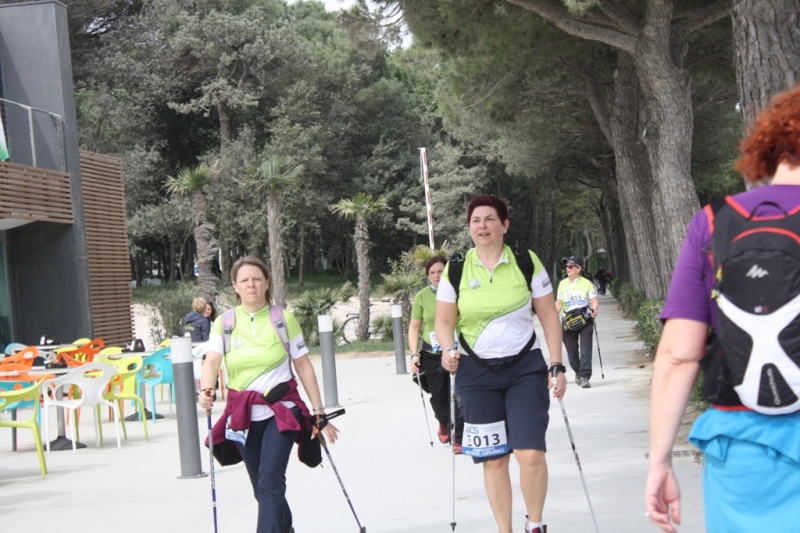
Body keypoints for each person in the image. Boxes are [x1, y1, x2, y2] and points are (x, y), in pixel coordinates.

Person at [646, 85, 800, 533]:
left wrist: (659, 461)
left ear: (771, 145)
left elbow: (678, 355)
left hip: (740, 445)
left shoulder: (714, 222)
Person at [436, 194, 567, 533]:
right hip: (475, 374)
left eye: (490, 219)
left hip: (524, 369)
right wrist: (449, 349)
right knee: (494, 460)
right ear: (469, 228)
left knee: (530, 453)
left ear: (505, 225)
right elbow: (443, 322)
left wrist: (557, 364)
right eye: (476, 221)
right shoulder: (456, 267)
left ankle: (535, 525)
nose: (483, 226)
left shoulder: (526, 261)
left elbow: (549, 315)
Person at [198, 256, 338, 533]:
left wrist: (319, 411)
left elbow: (303, 366)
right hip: (243, 417)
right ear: (235, 287)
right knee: (261, 488)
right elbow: (212, 361)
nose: (251, 284)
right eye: (244, 280)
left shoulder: (283, 319)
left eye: (257, 279)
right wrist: (206, 390)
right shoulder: (224, 323)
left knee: (270, 482)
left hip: (282, 411)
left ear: (267, 283)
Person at [409, 255, 464, 452]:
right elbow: (415, 327)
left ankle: (458, 438)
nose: (436, 275)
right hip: (432, 353)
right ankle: (443, 421)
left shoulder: (459, 292)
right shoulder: (422, 296)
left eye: (440, 271)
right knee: (439, 397)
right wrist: (414, 353)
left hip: (459, 351)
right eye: (432, 273)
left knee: (459, 394)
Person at [555, 256, 599, 388]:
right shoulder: (562, 284)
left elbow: (594, 301)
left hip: (584, 319)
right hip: (568, 321)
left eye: (570, 266)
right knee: (571, 353)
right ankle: (578, 372)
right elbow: (558, 303)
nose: (567, 268)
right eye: (566, 266)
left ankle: (585, 376)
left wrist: (594, 311)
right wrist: (552, 316)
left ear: (579, 268)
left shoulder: (586, 283)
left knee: (585, 349)